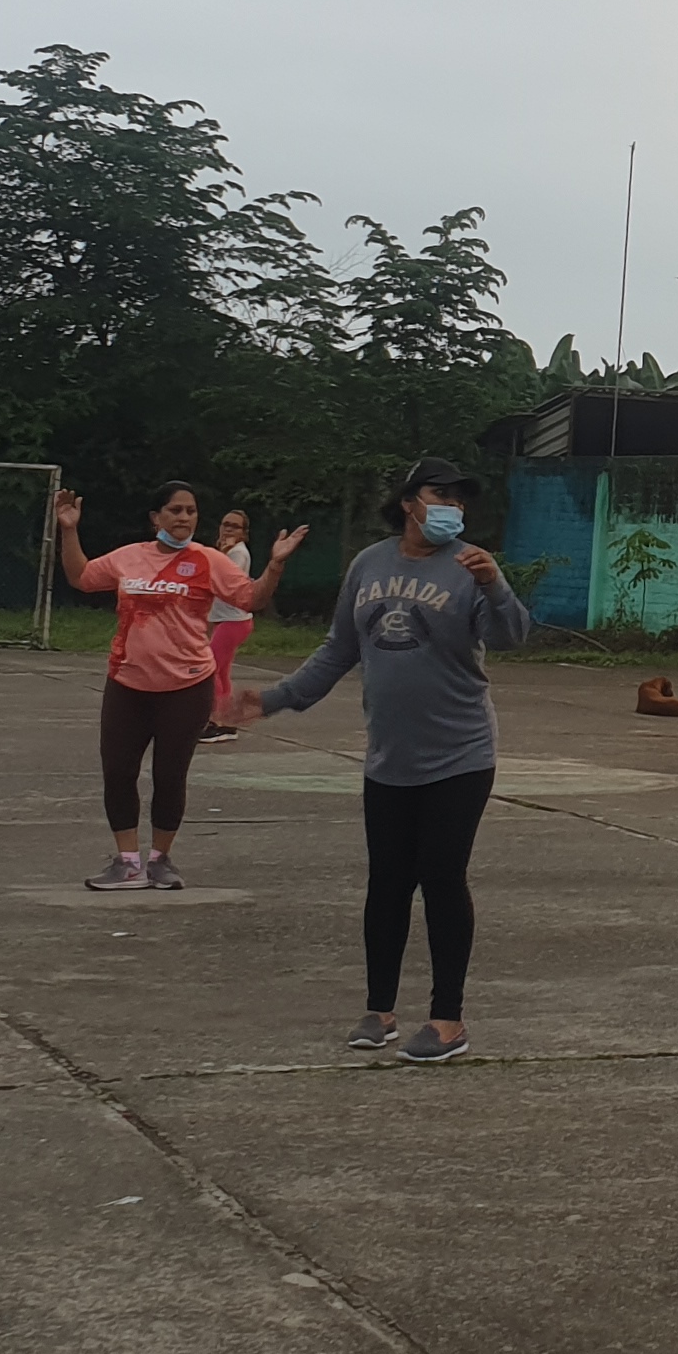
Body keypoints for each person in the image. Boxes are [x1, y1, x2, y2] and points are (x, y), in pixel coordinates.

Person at [247, 454, 532, 1063]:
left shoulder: (471, 566)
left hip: (460, 754)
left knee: (442, 877)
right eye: (440, 495)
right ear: (408, 503)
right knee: (387, 883)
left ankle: (448, 1021)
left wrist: (495, 584)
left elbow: (512, 636)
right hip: (389, 757)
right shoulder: (369, 564)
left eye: (459, 498)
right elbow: (339, 649)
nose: (452, 506)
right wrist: (275, 699)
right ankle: (379, 1012)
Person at [59, 481, 297, 889]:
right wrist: (68, 530)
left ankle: (160, 861)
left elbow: (251, 599)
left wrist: (275, 565)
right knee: (118, 772)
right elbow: (81, 577)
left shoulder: (209, 560)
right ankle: (127, 863)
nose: (184, 517)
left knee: (170, 775)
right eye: (175, 510)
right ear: (156, 518)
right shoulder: (129, 556)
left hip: (186, 687)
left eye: (191, 511)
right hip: (128, 683)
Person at [203, 508, 263, 737]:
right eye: (225, 524)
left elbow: (222, 582)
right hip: (225, 619)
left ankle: (216, 721)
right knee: (221, 671)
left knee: (210, 669)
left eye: (234, 526)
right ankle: (225, 720)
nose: (228, 529)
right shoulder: (226, 551)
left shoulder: (237, 553)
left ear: (243, 533)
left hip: (234, 621)